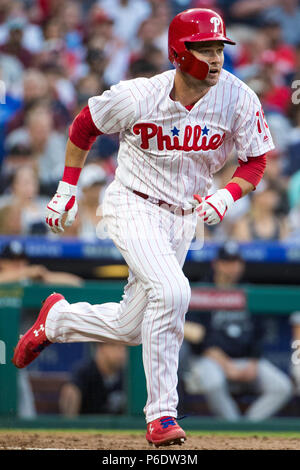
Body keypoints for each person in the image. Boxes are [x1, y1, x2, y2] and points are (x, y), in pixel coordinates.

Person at [12, 8, 275, 447]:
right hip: (132, 205)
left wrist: (226, 195)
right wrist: (66, 189)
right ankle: (162, 416)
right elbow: (83, 126)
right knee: (174, 292)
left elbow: (256, 160)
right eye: (203, 48)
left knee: (134, 328)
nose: (215, 57)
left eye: (218, 48)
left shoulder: (238, 97)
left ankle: (56, 320)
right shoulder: (139, 96)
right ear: (177, 52)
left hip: (184, 217)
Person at [183, 242, 293, 421]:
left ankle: (248, 427)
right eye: (227, 262)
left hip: (246, 361)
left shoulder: (249, 290)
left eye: (236, 262)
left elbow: (259, 334)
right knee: (213, 384)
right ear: (216, 263)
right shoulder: (202, 289)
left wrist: (253, 361)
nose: (232, 267)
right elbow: (200, 338)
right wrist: (226, 365)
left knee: (282, 387)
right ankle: (232, 425)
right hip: (211, 360)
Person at [59, 342, 127, 416]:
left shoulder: (127, 376)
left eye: (124, 346)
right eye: (113, 345)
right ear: (100, 348)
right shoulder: (84, 372)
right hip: (87, 426)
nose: (121, 350)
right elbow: (70, 393)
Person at [0, 239, 83, 286]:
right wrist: (28, 272)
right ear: (2, 262)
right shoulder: (26, 274)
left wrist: (45, 275)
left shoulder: (29, 279)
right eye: (13, 261)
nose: (20, 264)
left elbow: (77, 282)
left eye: (22, 260)